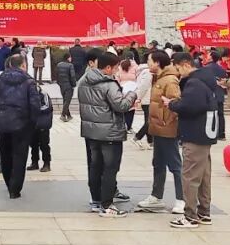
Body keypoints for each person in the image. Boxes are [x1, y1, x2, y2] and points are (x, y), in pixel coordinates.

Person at [78, 51, 137, 217]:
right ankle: (107, 205)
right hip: (110, 133)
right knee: (110, 169)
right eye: (116, 67)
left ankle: (96, 201)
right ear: (109, 67)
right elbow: (121, 106)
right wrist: (132, 94)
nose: (117, 71)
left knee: (95, 167)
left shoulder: (84, 80)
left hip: (91, 132)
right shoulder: (109, 84)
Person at [166, 52, 219, 228]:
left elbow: (189, 106)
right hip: (205, 133)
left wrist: (171, 104)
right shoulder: (205, 80)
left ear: (186, 65)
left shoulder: (194, 83)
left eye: (178, 68)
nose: (178, 72)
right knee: (203, 176)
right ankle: (204, 212)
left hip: (195, 133)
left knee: (190, 176)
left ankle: (190, 216)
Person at [0, 54, 43, 197]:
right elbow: (35, 105)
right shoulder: (29, 82)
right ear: (23, 65)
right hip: (22, 125)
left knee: (5, 155)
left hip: (3, 124)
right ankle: (15, 189)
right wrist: (31, 123)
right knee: (20, 157)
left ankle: (8, 183)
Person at [137, 50, 185, 214]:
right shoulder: (158, 78)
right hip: (157, 127)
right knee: (158, 163)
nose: (148, 64)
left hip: (166, 129)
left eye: (150, 61)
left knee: (175, 165)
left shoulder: (170, 80)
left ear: (157, 62)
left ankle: (181, 199)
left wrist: (167, 122)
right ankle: (156, 196)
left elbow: (175, 104)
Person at [204, 49, 230, 141]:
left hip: (210, 95)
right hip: (220, 94)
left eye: (208, 55)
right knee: (220, 114)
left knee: (211, 115)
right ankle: (222, 134)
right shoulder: (222, 69)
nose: (207, 56)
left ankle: (212, 134)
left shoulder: (206, 68)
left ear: (211, 57)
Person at [132, 53, 154, 148]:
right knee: (150, 122)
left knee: (148, 121)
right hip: (148, 99)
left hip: (147, 99)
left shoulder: (141, 70)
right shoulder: (148, 72)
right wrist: (139, 97)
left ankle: (150, 141)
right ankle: (137, 137)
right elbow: (143, 86)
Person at [55, 53, 78, 122]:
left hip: (61, 85)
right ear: (68, 58)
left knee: (65, 100)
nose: (71, 59)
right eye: (70, 57)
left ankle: (69, 115)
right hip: (68, 86)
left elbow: (56, 75)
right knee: (67, 101)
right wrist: (74, 84)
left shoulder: (59, 65)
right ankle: (63, 115)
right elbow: (72, 76)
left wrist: (59, 83)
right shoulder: (70, 65)